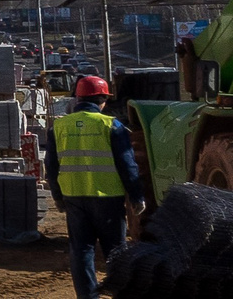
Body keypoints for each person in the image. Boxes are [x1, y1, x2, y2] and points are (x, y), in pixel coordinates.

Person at [41, 75, 152, 299]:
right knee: (116, 252)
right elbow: (127, 163)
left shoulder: (59, 127)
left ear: (78, 98)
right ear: (103, 100)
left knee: (81, 250)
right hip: (107, 198)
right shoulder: (111, 125)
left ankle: (88, 296)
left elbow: (51, 166)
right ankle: (120, 293)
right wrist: (136, 195)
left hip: (74, 197)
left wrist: (57, 197)